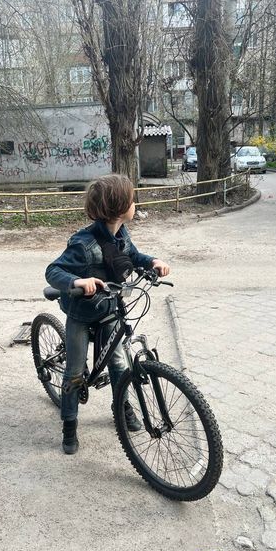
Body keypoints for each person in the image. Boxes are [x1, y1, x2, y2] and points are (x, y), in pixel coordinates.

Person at [45, 174, 170, 454]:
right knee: (74, 372)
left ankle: (121, 407)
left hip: (110, 309)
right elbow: (53, 270)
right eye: (132, 200)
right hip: (82, 313)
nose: (135, 204)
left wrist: (153, 261)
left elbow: (133, 256)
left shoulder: (121, 233)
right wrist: (78, 281)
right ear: (119, 207)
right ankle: (69, 424)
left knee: (118, 364)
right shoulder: (83, 243)